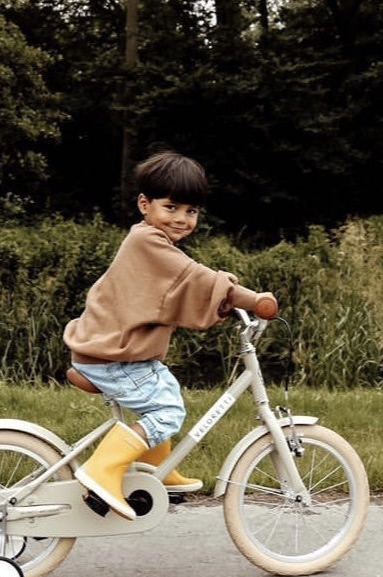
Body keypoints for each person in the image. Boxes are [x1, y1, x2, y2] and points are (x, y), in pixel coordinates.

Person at [63, 151, 277, 520]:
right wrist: (252, 300)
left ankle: (156, 471)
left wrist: (225, 302)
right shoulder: (147, 242)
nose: (181, 219)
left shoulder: (150, 241)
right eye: (172, 207)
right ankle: (102, 471)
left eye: (191, 211)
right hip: (111, 354)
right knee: (166, 410)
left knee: (165, 391)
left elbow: (179, 288)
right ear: (144, 204)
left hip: (113, 351)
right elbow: (197, 278)